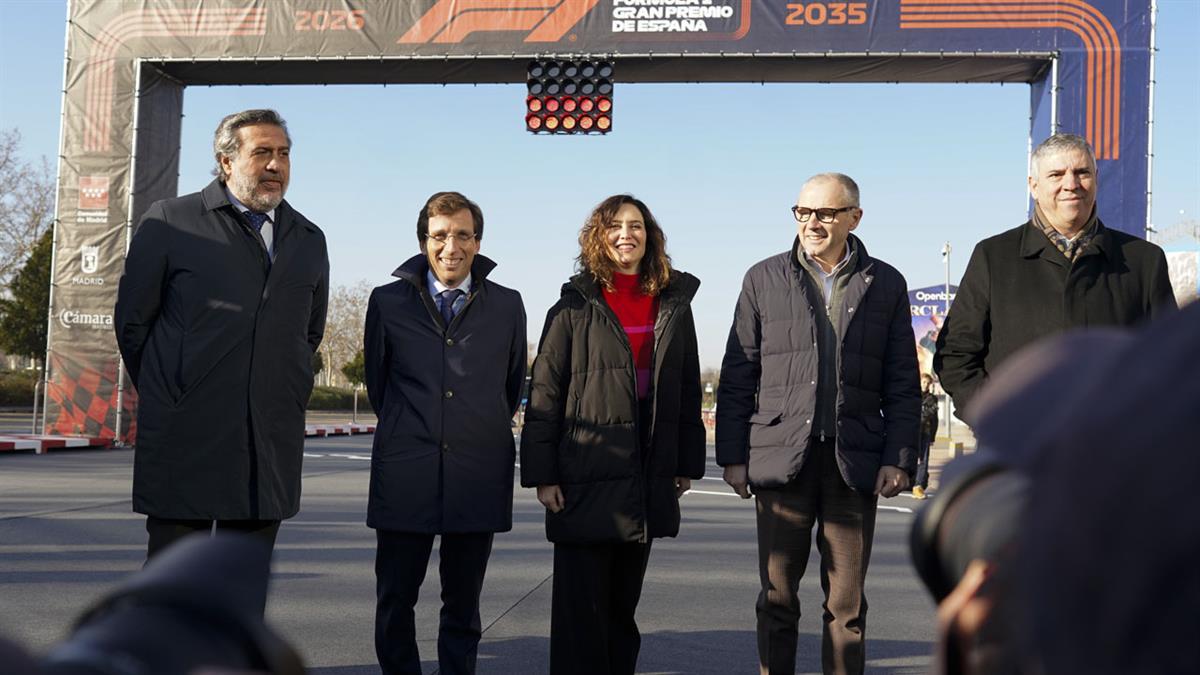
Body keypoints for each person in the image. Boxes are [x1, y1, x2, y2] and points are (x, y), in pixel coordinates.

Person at [716, 173, 920, 675]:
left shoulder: (886, 283)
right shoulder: (762, 278)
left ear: (854, 217)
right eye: (803, 212)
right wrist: (733, 456)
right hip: (782, 461)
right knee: (777, 596)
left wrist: (899, 458)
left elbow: (902, 381)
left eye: (826, 213)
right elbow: (738, 374)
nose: (812, 223)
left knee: (847, 607)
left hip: (853, 463)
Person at [114, 109, 329, 560]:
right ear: (226, 162)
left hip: (267, 439)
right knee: (175, 594)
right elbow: (134, 324)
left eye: (284, 154)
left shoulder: (309, 239)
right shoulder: (170, 221)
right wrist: (171, 390)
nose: (276, 165)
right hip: (186, 437)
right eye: (262, 153)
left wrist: (285, 387)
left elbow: (308, 333)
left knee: (242, 594)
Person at [520, 194, 706, 675]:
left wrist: (685, 464)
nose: (628, 233)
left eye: (637, 225)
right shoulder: (574, 305)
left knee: (623, 609)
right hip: (584, 471)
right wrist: (543, 474)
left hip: (645, 473)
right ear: (598, 236)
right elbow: (545, 393)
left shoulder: (673, 303)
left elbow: (685, 387)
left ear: (651, 236)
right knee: (580, 612)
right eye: (616, 225)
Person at [364, 191, 526, 675]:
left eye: (462, 235)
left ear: (477, 242)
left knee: (463, 602)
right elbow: (380, 384)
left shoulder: (508, 305)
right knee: (396, 597)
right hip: (406, 470)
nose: (450, 246)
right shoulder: (387, 302)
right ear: (423, 241)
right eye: (439, 235)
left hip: (477, 469)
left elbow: (510, 383)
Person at [934, 133, 1176, 418]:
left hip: (1117, 449)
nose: (1071, 184)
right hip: (1016, 450)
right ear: (1033, 186)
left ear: (1096, 178)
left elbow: (1169, 360)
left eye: (1082, 172)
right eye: (1056, 174)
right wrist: (996, 418)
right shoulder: (993, 256)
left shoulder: (1144, 260)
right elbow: (955, 355)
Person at [913, 373, 940, 500]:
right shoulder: (913, 396)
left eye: (928, 383)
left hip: (925, 432)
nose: (926, 385)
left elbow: (934, 419)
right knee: (912, 457)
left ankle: (918, 485)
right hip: (913, 431)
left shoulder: (932, 399)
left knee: (923, 459)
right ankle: (914, 482)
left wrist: (933, 436)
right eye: (924, 382)